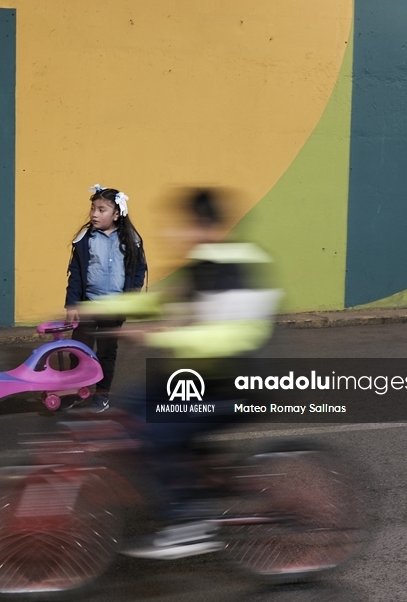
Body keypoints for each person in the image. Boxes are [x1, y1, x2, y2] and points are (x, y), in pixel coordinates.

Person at [79, 187, 282, 558]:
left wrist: (164, 334)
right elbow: (158, 300)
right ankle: (197, 482)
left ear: (210, 228)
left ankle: (188, 522)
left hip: (238, 386)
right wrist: (93, 309)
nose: (178, 235)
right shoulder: (202, 265)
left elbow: (233, 336)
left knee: (152, 428)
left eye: (186, 226)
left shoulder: (236, 267)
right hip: (202, 379)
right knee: (129, 407)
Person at [65, 185, 148, 411]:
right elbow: (76, 273)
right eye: (93, 208)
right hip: (88, 306)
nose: (94, 214)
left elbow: (139, 270)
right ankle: (76, 391)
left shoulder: (131, 239)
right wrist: (72, 303)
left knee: (106, 353)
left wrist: (131, 297)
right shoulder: (85, 239)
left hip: (114, 309)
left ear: (117, 214)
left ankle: (101, 394)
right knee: (79, 349)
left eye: (102, 210)